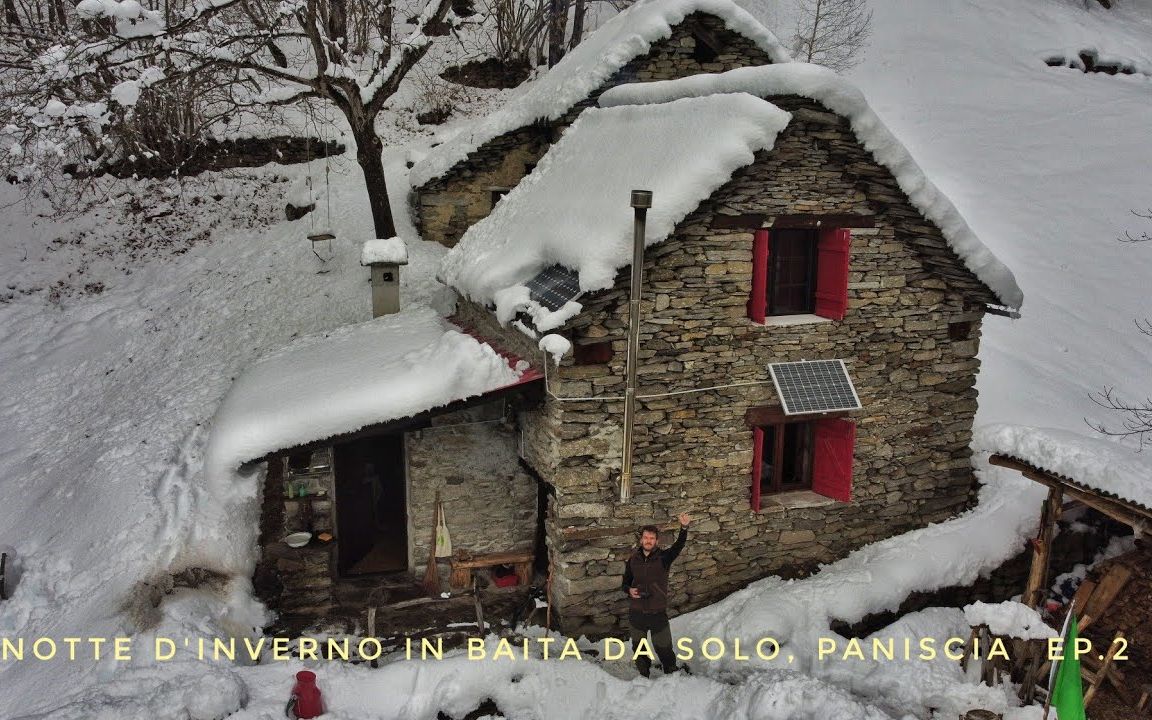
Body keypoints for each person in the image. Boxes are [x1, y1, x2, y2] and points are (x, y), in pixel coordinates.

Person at [620, 512, 691, 677]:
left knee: (664, 647)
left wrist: (684, 527)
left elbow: (678, 546)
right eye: (646, 537)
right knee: (639, 649)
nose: (648, 541)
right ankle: (643, 674)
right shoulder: (633, 560)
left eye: (652, 538)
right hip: (637, 613)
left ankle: (671, 673)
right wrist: (628, 590)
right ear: (641, 540)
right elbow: (625, 582)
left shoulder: (664, 558)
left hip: (657, 612)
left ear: (656, 541)